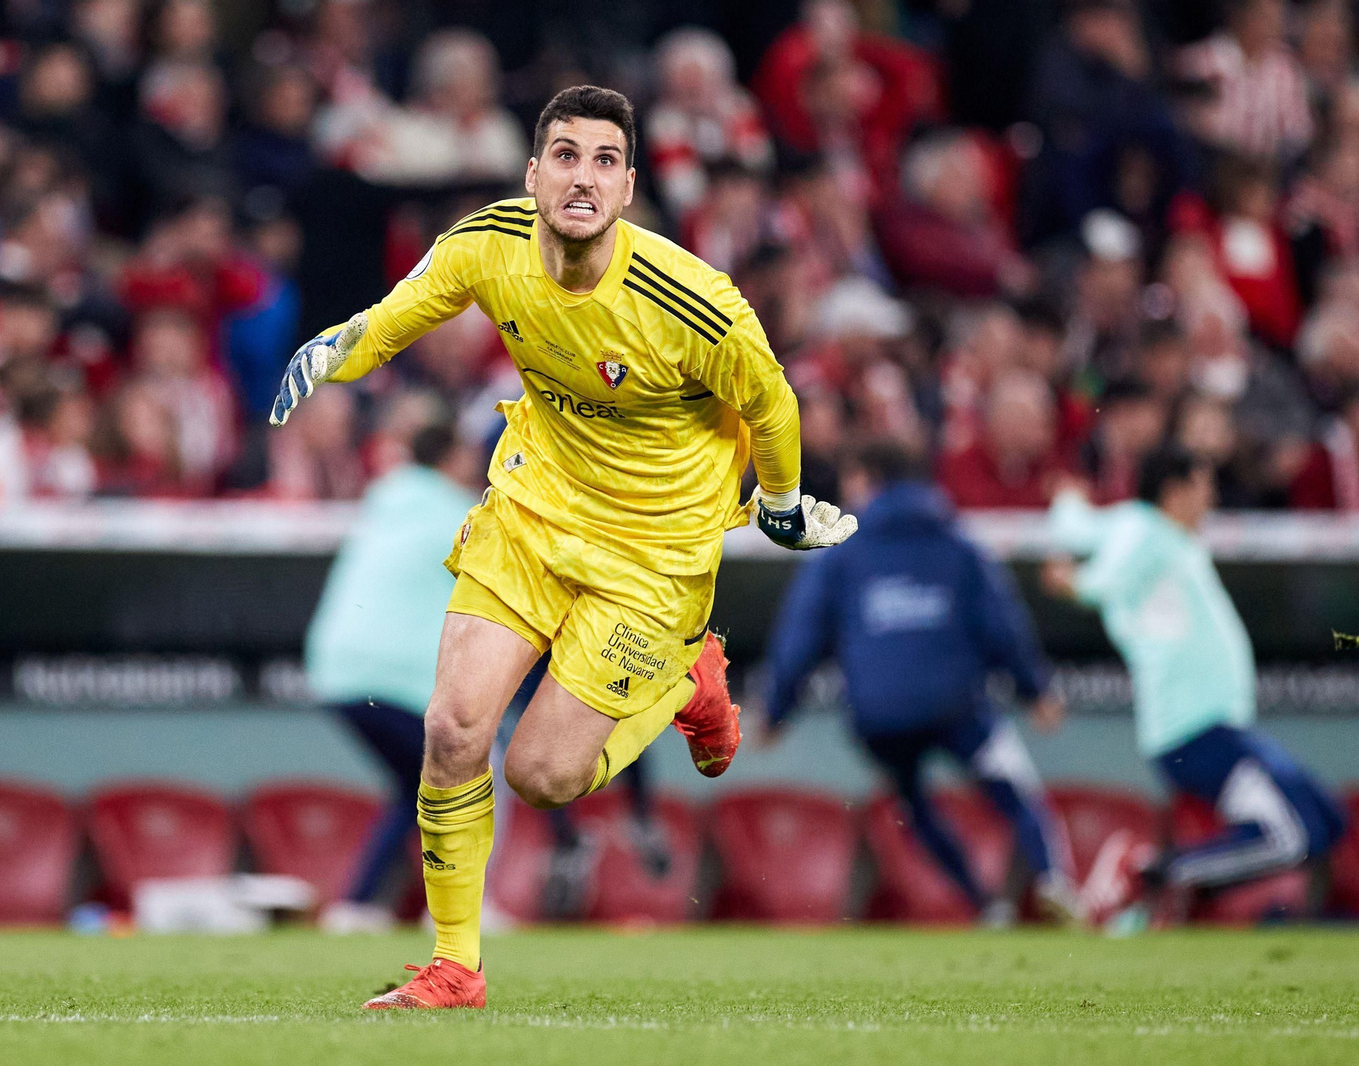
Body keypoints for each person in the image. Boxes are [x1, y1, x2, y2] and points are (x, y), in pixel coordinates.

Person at [270, 85, 856, 1009]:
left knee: (541, 775)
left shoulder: (693, 302)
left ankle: (687, 681)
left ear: (628, 189)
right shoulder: (488, 244)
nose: (584, 176)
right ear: (534, 171)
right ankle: (456, 965)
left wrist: (778, 502)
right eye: (568, 156)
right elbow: (403, 310)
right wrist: (332, 350)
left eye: (606, 161)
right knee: (452, 728)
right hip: (533, 514)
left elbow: (773, 404)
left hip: (651, 556)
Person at [760, 439, 1079, 924]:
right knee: (1014, 793)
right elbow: (1000, 628)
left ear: (866, 480)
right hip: (956, 706)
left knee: (916, 807)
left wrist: (777, 709)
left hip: (881, 715)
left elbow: (802, 636)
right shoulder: (959, 547)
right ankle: (1052, 878)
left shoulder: (841, 556)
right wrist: (1035, 690)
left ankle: (986, 905)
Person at [1042, 446, 1346, 926]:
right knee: (1293, 836)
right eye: (1204, 486)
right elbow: (1107, 579)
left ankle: (1165, 888)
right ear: (1175, 491)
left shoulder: (1151, 532)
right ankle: (1147, 875)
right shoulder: (1148, 531)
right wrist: (1076, 582)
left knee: (1327, 821)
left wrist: (1067, 502)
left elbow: (1081, 529)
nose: (1211, 498)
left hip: (1218, 727)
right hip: (1193, 728)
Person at [304, 417, 482, 933]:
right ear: (452, 458)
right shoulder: (460, 514)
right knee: (469, 772)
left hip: (335, 671)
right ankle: (460, 910)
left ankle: (356, 906)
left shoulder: (381, 502)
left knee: (417, 787)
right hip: (398, 678)